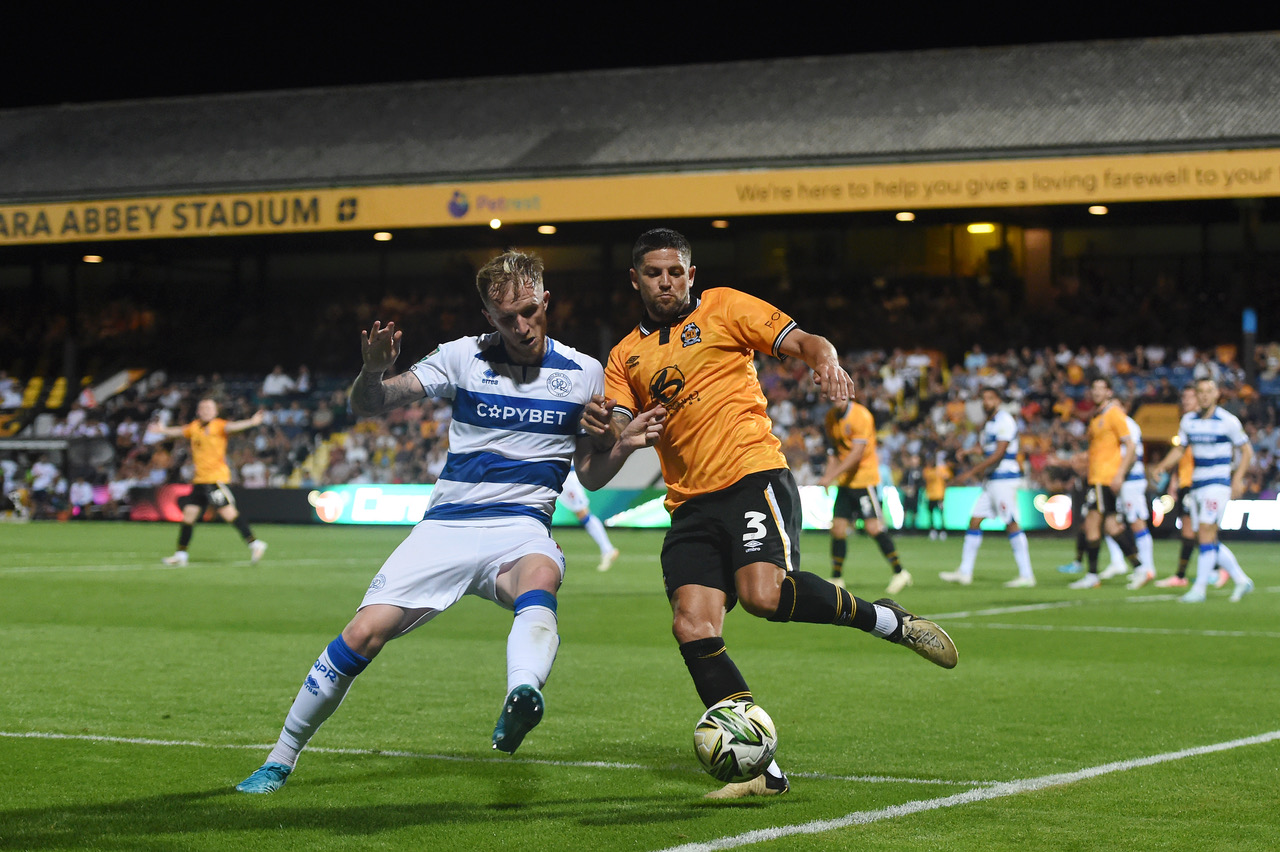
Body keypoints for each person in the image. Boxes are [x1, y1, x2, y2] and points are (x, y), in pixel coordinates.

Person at [578, 228, 957, 800]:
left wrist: (826, 363)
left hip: (752, 475)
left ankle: (888, 620)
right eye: (654, 274)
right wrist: (613, 435)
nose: (666, 282)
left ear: (691, 274)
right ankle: (763, 771)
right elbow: (607, 449)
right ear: (636, 280)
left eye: (676, 272)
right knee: (691, 625)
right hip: (689, 503)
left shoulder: (726, 307)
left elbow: (806, 341)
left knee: (762, 596)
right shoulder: (624, 356)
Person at [236, 249, 610, 795]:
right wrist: (372, 371)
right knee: (362, 634)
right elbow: (371, 403)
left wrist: (620, 441)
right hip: (446, 527)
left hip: (522, 526)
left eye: (530, 311)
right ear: (488, 317)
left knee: (541, 575)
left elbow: (592, 472)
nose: (522, 326)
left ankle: (522, 693)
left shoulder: (585, 372)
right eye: (506, 318)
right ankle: (279, 758)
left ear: (546, 300)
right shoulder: (462, 356)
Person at [1147, 377, 1254, 603]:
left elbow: (1246, 451)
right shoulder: (1189, 421)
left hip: (1217, 484)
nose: (1205, 395)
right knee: (1204, 536)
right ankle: (1241, 579)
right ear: (1197, 395)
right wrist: (1162, 466)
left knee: (1205, 531)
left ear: (1216, 394)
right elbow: (1180, 449)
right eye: (1201, 391)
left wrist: (1237, 479)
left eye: (1208, 391)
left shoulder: (1228, 421)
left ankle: (1200, 589)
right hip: (1196, 485)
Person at [148, 399, 268, 566]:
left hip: (214, 480)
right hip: (199, 481)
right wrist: (162, 430)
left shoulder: (218, 425)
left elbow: (233, 427)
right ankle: (181, 555)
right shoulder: (194, 427)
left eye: (210, 408)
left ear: (215, 411)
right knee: (188, 516)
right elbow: (179, 431)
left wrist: (251, 422)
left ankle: (255, 543)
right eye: (203, 408)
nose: (206, 410)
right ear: (198, 411)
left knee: (228, 513)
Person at [940, 386, 1036, 587]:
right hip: (992, 480)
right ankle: (965, 572)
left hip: (1004, 479)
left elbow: (999, 453)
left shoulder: (1004, 421)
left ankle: (1027, 575)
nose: (986, 402)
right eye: (984, 398)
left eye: (990, 398)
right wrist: (968, 452)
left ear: (998, 400)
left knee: (1011, 522)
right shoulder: (990, 423)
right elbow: (987, 449)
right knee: (974, 521)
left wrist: (971, 472)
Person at [818, 393, 912, 593]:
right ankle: (836, 578)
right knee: (838, 529)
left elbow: (856, 454)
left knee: (873, 528)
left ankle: (900, 572)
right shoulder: (830, 418)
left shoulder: (861, 416)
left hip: (864, 481)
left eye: (840, 394)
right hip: (845, 482)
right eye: (832, 395)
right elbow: (834, 452)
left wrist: (831, 476)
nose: (836, 398)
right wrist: (827, 477)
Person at [1068, 378, 1141, 589]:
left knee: (1092, 524)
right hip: (1096, 477)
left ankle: (1092, 574)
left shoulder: (1114, 414)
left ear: (1109, 392)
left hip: (1104, 478)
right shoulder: (1096, 416)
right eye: (1094, 388)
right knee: (1111, 526)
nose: (1097, 392)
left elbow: (1130, 445)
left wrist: (1119, 474)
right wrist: (1082, 458)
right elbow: (1098, 449)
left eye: (1101, 388)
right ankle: (1139, 567)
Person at [559, 465, 619, 571]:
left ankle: (608, 549)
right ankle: (607, 549)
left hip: (567, 475)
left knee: (583, 514)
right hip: (558, 473)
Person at [922, 451, 951, 539]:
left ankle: (943, 530)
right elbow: (926, 479)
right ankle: (932, 530)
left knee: (941, 514)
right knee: (931, 514)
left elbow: (948, 478)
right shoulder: (927, 470)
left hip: (939, 495)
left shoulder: (941, 469)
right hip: (930, 495)